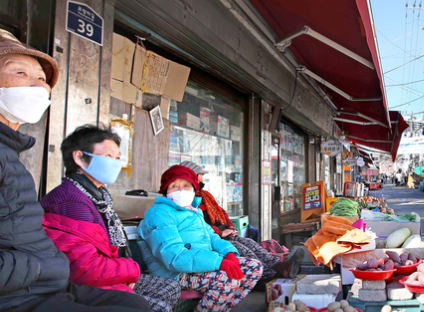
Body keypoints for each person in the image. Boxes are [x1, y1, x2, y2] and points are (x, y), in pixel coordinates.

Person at [0, 29, 150, 311]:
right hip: (28, 291)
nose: (36, 86)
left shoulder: (12, 154)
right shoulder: (70, 199)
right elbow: (85, 265)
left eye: (42, 79)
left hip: (49, 283)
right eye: (20, 73)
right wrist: (41, 266)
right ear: (80, 158)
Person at [40, 125, 181, 312]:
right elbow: (85, 269)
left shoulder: (98, 196)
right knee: (158, 305)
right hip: (83, 286)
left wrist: (126, 274)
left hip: (110, 273)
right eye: (108, 157)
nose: (116, 163)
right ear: (79, 157)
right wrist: (129, 272)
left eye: (117, 158)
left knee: (170, 287)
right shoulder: (70, 201)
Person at [138, 165, 263, 312]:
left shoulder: (193, 211)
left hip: (199, 265)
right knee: (227, 280)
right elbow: (174, 257)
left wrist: (229, 253)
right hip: (175, 273)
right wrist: (219, 262)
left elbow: (212, 238)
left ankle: (219, 308)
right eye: (174, 186)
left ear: (194, 189)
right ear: (165, 191)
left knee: (254, 267)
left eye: (186, 185)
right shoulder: (159, 214)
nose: (180, 190)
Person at [180, 160, 304, 280]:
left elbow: (221, 212)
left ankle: (281, 266)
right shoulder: (183, 201)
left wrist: (230, 227)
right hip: (208, 240)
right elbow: (198, 226)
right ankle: (270, 275)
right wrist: (220, 233)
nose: (202, 179)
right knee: (242, 249)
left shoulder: (205, 195)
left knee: (250, 243)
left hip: (221, 234)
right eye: (199, 176)